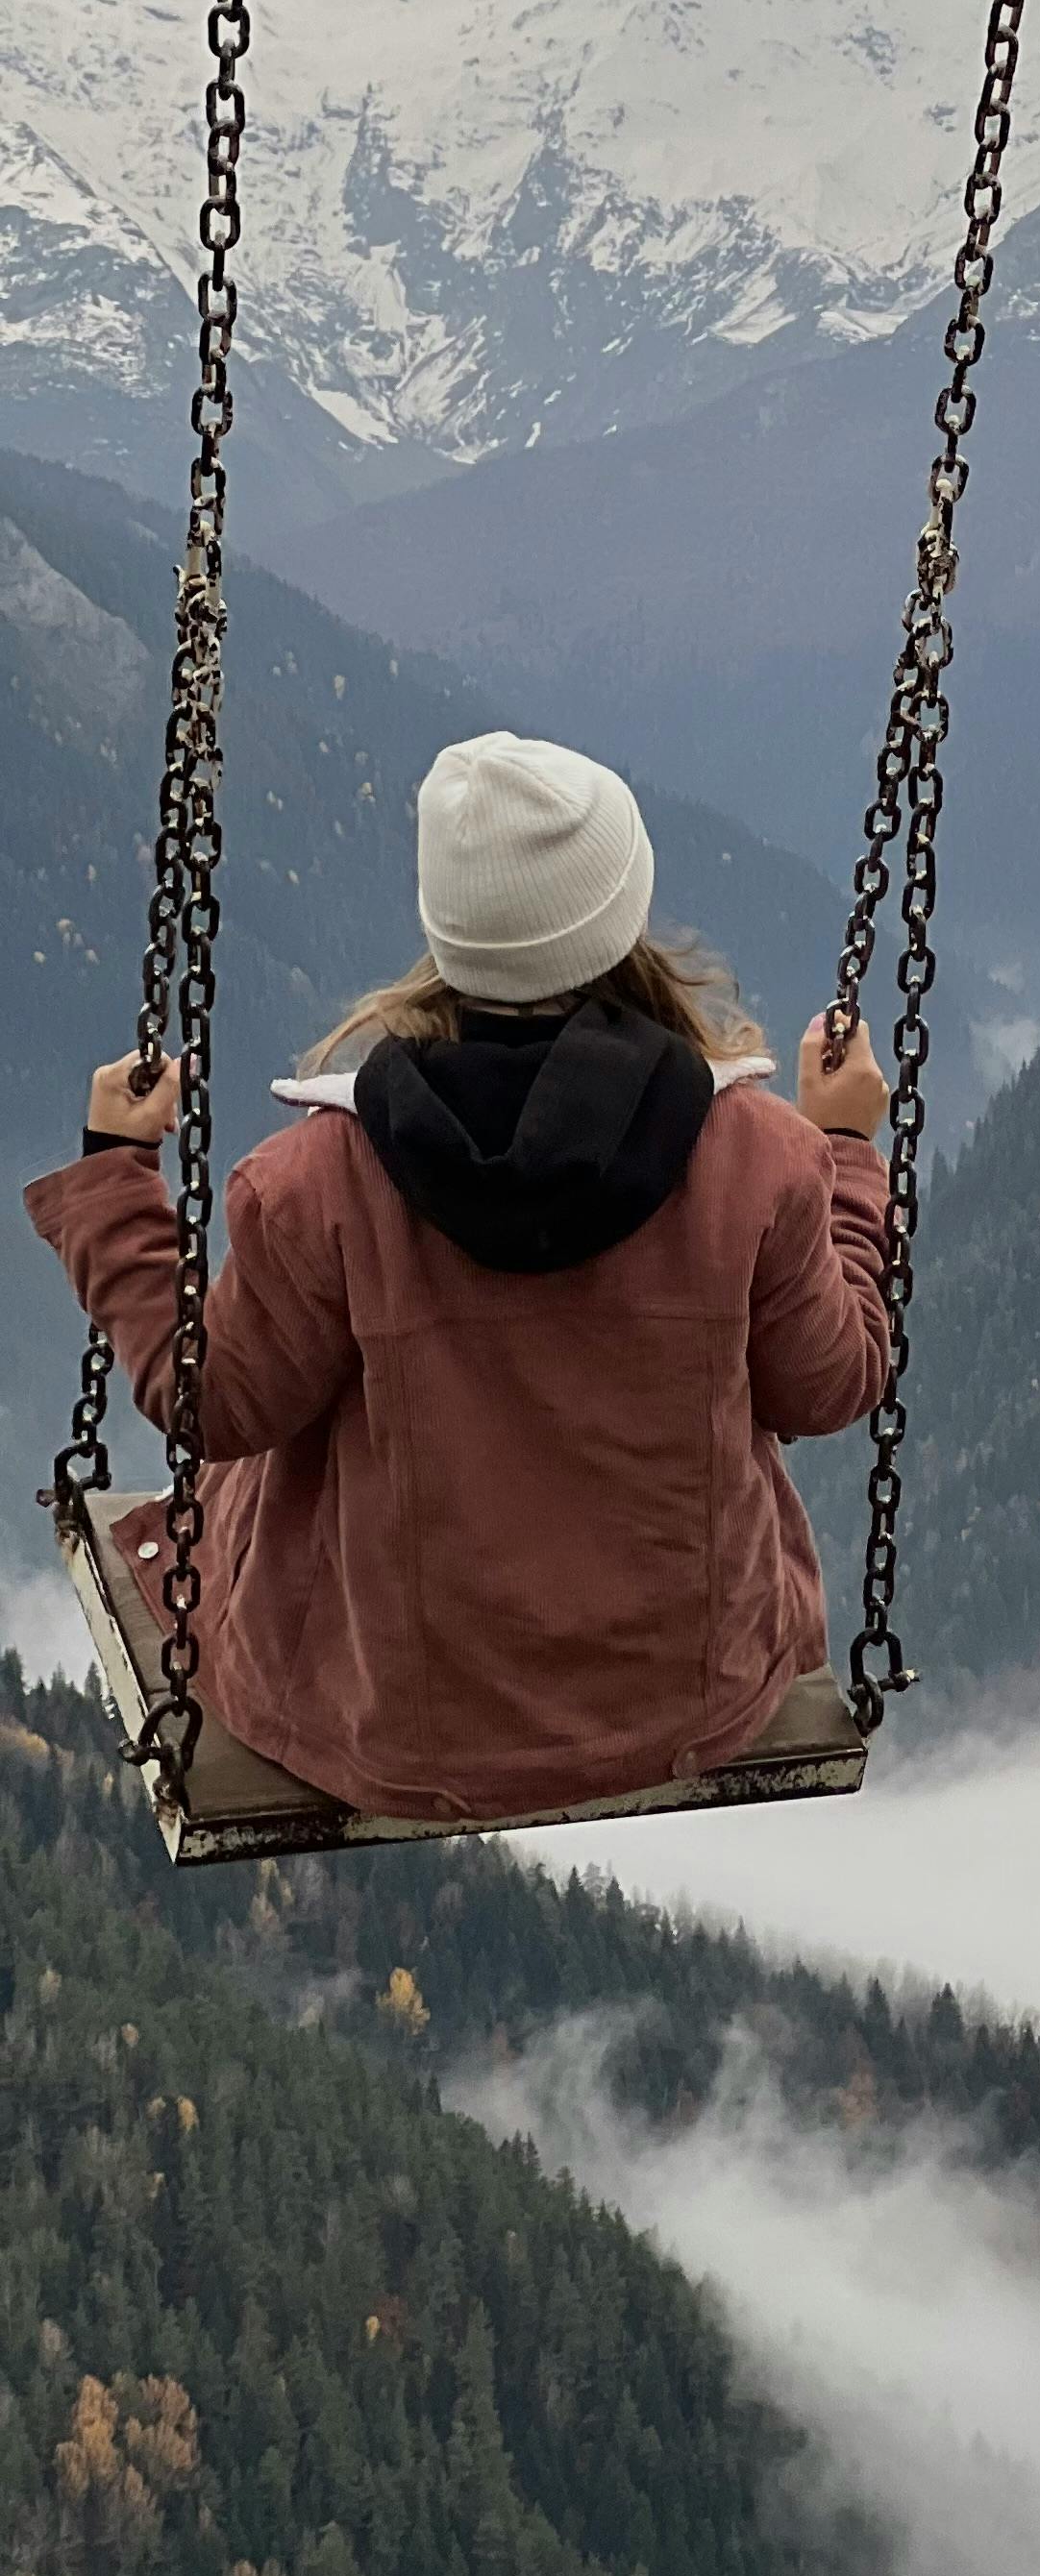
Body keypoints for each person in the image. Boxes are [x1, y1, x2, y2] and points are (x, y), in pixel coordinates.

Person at [25, 731, 894, 1824]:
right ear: (623, 916)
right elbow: (832, 1382)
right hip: (689, 1700)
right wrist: (850, 1155)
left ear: (448, 934)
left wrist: (115, 1176)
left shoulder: (319, 1187)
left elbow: (216, 1402)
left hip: (386, 1719)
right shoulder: (761, 1162)